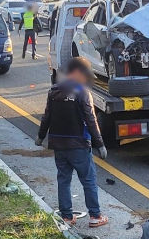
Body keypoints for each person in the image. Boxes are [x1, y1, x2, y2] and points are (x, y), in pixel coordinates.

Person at [36, 57, 109, 228]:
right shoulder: (83, 92)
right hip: (79, 145)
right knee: (88, 180)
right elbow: (91, 120)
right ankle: (95, 216)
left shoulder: (53, 91)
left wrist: (40, 136)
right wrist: (100, 144)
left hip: (58, 144)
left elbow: (47, 116)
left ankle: (67, 217)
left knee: (63, 179)